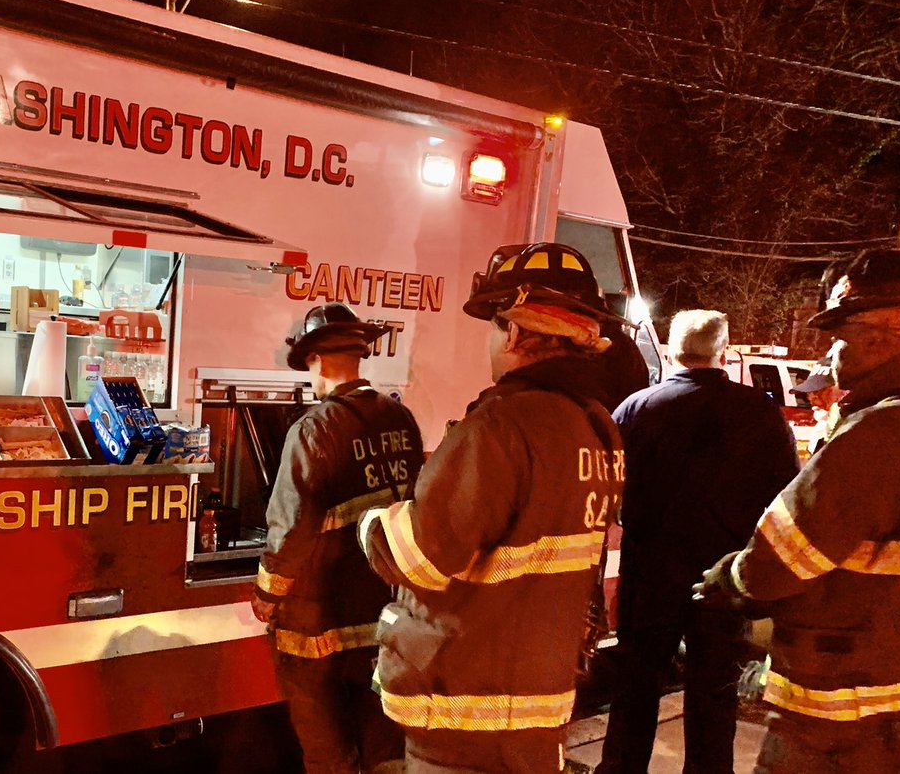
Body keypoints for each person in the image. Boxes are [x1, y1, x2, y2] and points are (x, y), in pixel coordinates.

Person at [357, 242, 625, 774]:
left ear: (518, 332)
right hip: (536, 705)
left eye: (495, 324)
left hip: (466, 712)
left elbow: (422, 558)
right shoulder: (597, 426)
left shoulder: (503, 425)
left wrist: (373, 524)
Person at [696, 247, 900, 773]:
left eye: (840, 335)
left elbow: (782, 558)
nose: (832, 353)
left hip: (840, 724)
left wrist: (728, 581)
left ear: (880, 333)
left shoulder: (881, 434)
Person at [595, 310, 799, 773]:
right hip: (722, 581)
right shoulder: (760, 413)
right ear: (722, 351)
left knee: (635, 692)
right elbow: (786, 494)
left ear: (669, 348)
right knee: (713, 697)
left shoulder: (636, 408)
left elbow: (608, 490)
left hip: (649, 576)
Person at [252, 301, 424, 774]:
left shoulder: (312, 430)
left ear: (316, 360)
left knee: (327, 751)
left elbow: (291, 526)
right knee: (381, 746)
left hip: (317, 625)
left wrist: (268, 592)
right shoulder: (401, 419)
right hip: (382, 613)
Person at [788, 349, 848, 457]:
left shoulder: (857, 432)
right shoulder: (821, 430)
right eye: (809, 392)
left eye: (818, 391)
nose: (811, 398)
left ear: (844, 392)